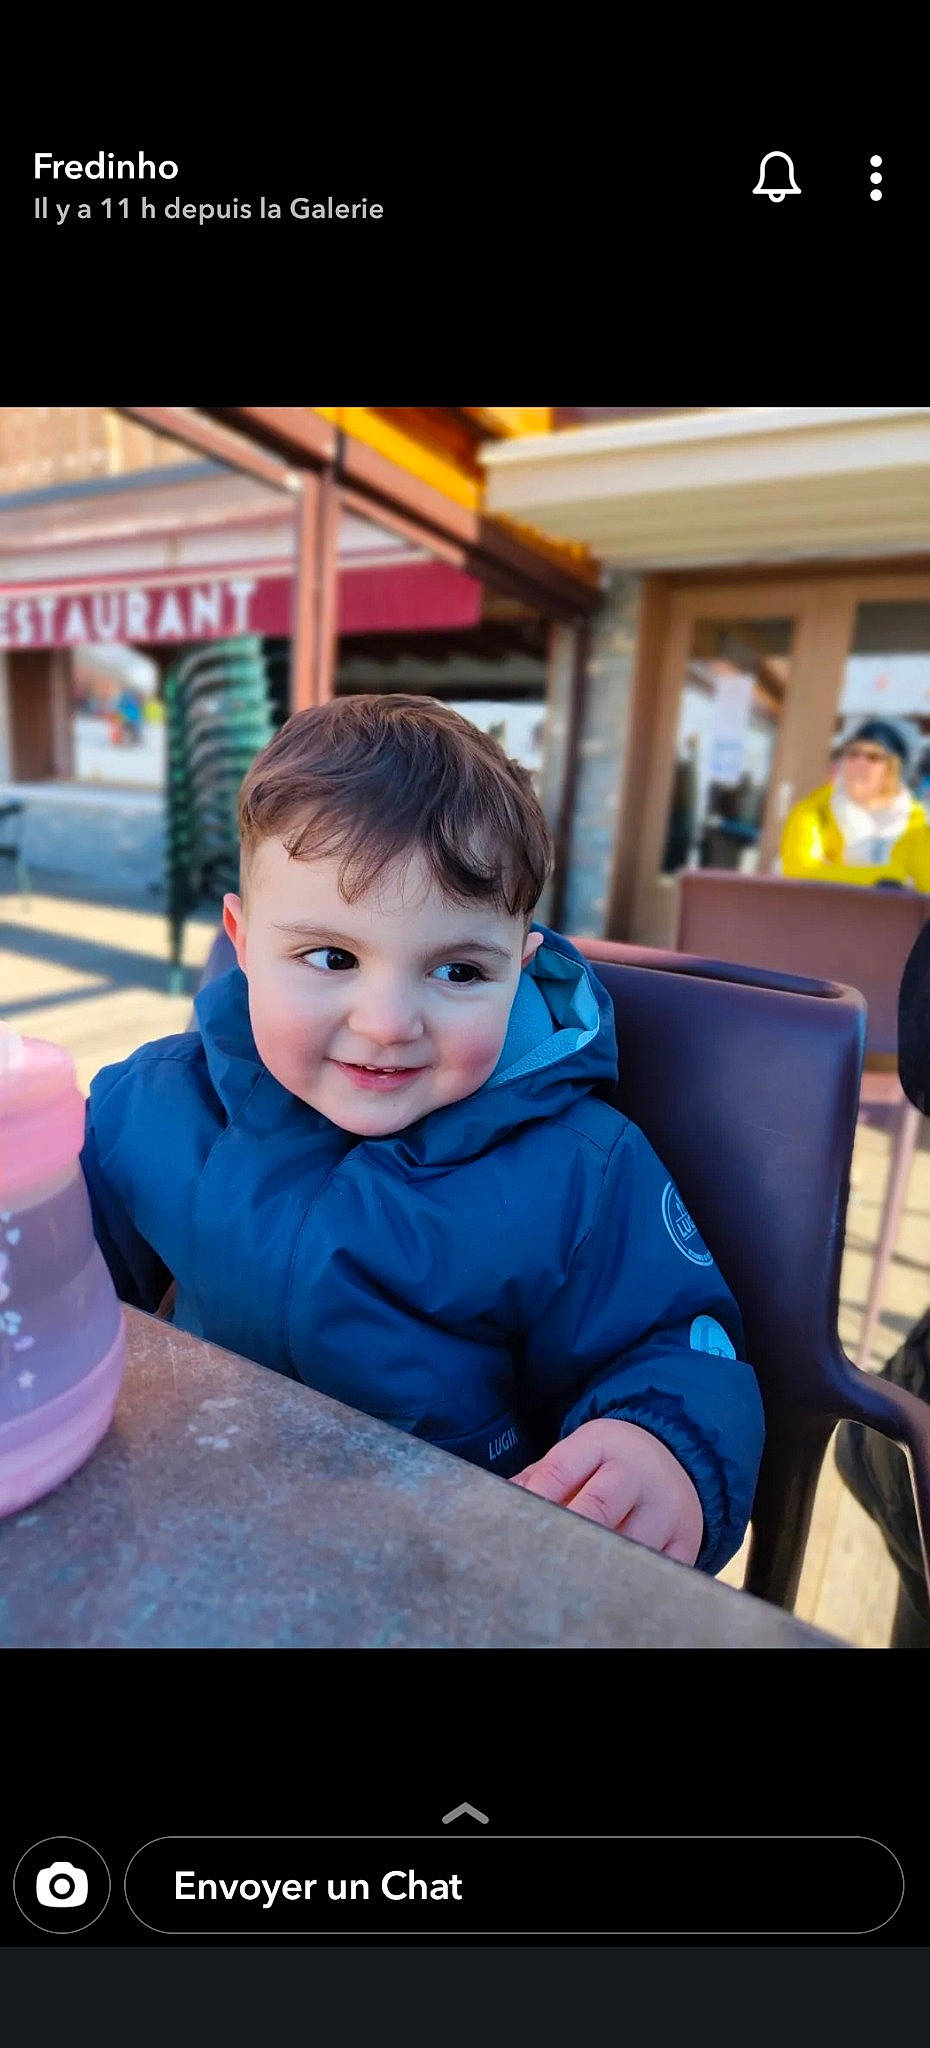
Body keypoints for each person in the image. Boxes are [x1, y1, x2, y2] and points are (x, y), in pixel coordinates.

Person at [79, 695, 764, 1576]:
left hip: (443, 1560)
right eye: (332, 957)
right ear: (243, 944)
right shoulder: (163, 1100)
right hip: (196, 1513)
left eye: (457, 970)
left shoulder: (579, 1171)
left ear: (518, 972)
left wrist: (661, 1447)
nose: (390, 1021)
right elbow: (59, 1252)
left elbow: (674, 1343)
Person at [780, 717, 930, 888]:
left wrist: (833, 872)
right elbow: (800, 873)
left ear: (895, 768)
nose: (859, 763)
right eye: (853, 754)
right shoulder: (814, 811)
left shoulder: (917, 821)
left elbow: (926, 885)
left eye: (873, 757)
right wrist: (890, 878)